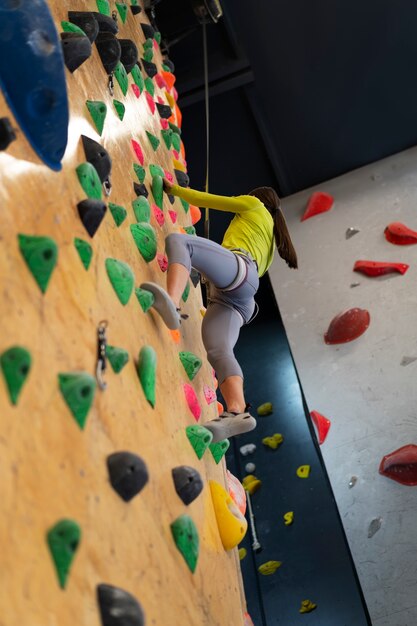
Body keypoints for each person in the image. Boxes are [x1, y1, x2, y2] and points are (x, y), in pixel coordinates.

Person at [140, 181, 298, 443]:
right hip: (242, 298)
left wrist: (173, 190)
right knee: (219, 350)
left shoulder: (253, 204)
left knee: (180, 243)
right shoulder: (270, 238)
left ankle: (172, 301)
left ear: (256, 198)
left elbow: (208, 199)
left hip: (239, 273)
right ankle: (237, 410)